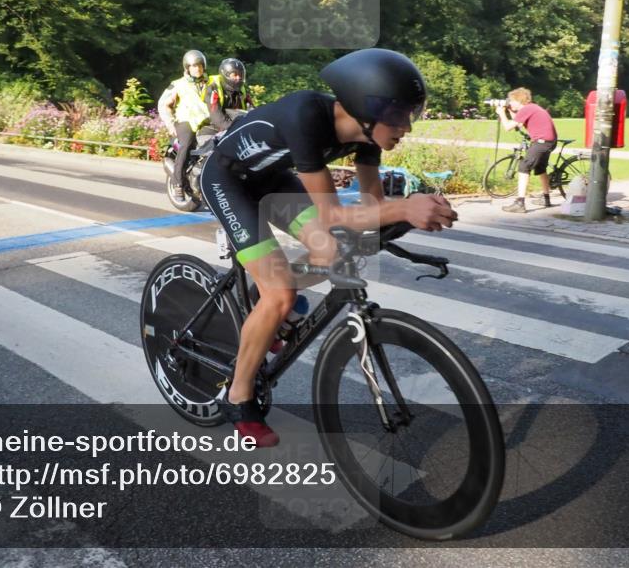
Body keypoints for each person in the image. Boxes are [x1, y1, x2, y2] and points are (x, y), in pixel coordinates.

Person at [200, 48, 455, 447]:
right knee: (281, 293)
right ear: (366, 109)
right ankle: (239, 395)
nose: (408, 125)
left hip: (272, 179)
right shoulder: (307, 117)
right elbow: (333, 213)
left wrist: (406, 216)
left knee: (331, 255)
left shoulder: (368, 137)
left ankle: (266, 306)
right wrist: (404, 207)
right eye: (400, 114)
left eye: (412, 114)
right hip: (228, 181)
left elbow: (372, 207)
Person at [158, 50, 211, 203]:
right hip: (185, 121)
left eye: (200, 65)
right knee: (186, 144)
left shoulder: (210, 83)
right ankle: (178, 184)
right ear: (187, 67)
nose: (198, 69)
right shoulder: (178, 84)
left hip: (206, 122)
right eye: (194, 66)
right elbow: (163, 105)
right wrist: (170, 123)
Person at [495, 88, 558, 213]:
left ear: (519, 100)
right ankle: (546, 199)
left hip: (541, 142)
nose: (510, 103)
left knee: (524, 166)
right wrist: (508, 110)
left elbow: (508, 127)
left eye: (512, 101)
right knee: (540, 168)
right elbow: (518, 124)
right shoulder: (531, 108)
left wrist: (501, 113)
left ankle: (520, 203)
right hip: (548, 141)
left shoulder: (527, 109)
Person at [203, 58, 254, 133]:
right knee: (188, 143)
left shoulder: (242, 89)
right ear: (225, 74)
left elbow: (252, 109)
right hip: (211, 127)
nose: (238, 78)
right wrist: (234, 129)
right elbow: (216, 116)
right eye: (234, 75)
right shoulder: (213, 89)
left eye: (240, 75)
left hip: (234, 124)